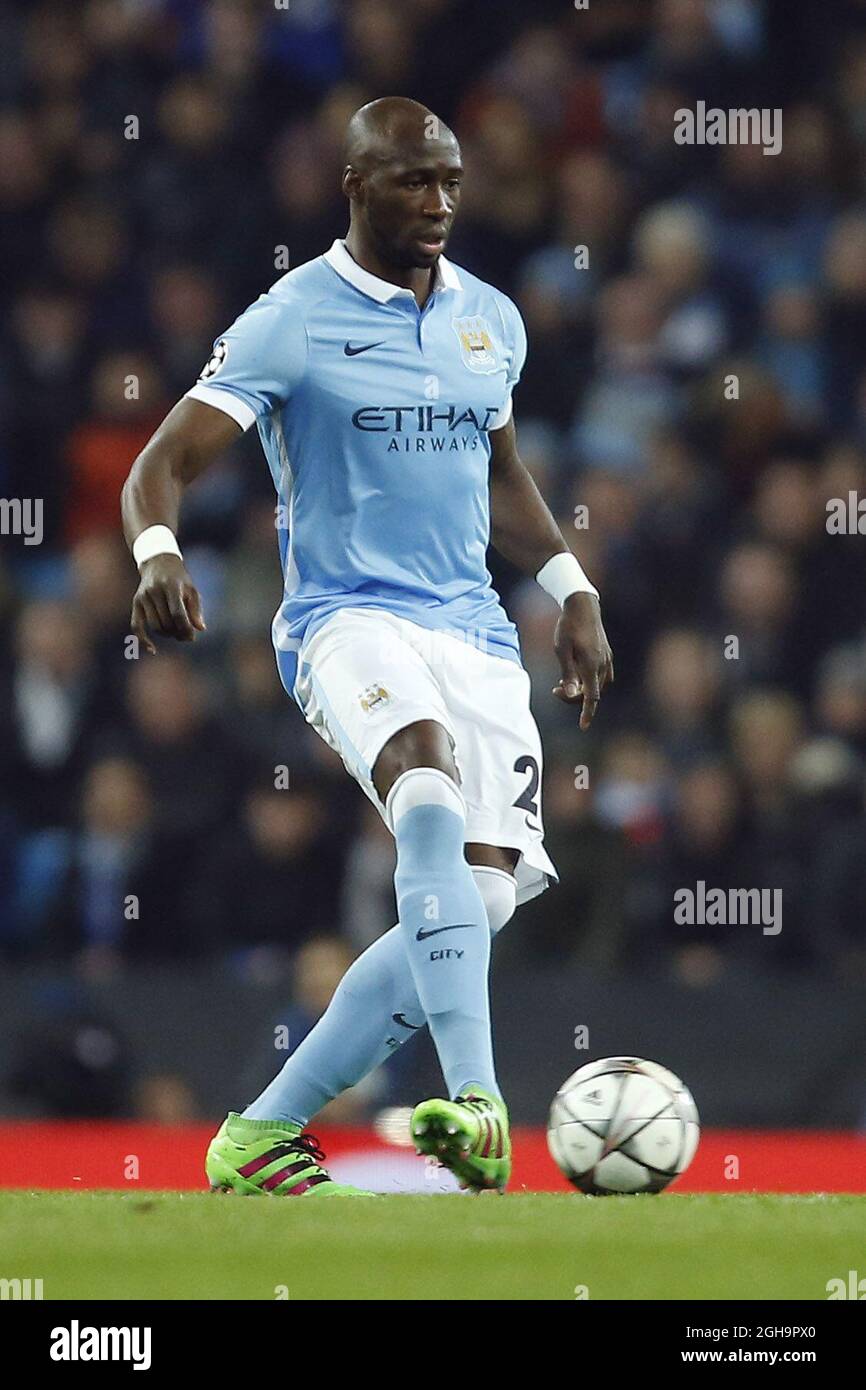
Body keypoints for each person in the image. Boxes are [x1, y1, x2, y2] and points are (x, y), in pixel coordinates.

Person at [120, 98, 613, 1197]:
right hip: (343, 617)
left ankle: (258, 1134)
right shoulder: (289, 318)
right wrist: (157, 551)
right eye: (410, 182)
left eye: (447, 181)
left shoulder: (491, 319)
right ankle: (483, 1104)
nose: (436, 202)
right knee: (423, 785)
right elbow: (157, 464)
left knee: (477, 907)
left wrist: (569, 584)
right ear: (353, 184)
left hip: (474, 632)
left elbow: (500, 474)